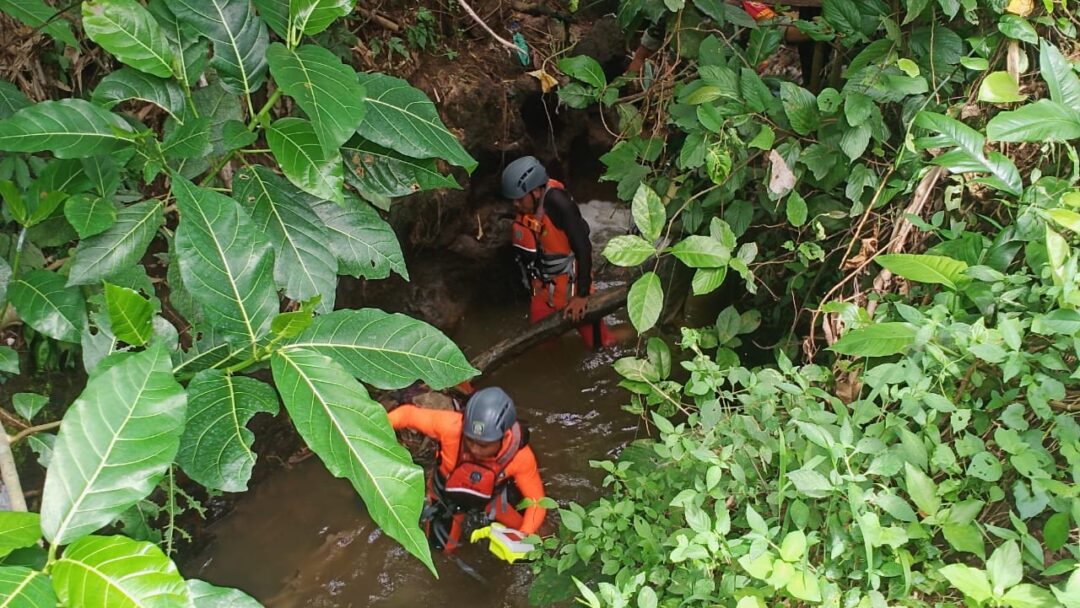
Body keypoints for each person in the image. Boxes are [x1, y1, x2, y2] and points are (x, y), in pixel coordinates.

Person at [388, 386, 546, 558]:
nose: (475, 450)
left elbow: (536, 502)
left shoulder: (520, 457)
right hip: (446, 497)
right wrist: (368, 431)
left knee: (536, 538)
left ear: (505, 436)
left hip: (491, 500)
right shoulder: (451, 427)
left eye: (484, 445)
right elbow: (407, 415)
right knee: (441, 552)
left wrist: (524, 534)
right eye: (470, 440)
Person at [502, 156, 615, 349]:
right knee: (541, 350)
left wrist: (582, 295)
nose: (516, 205)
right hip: (545, 293)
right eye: (514, 200)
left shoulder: (559, 203)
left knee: (603, 346)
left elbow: (583, 247)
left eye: (519, 199)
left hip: (572, 291)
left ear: (536, 192)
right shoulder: (528, 206)